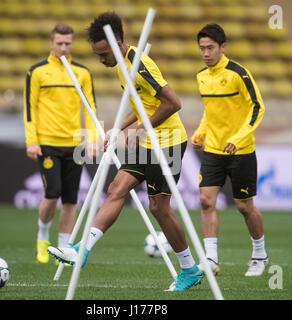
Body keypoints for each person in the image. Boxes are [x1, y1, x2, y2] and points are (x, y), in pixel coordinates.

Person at [48, 12, 203, 292]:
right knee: (116, 188)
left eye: (104, 53)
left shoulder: (139, 63)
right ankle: (82, 250)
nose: (101, 59)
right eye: (97, 55)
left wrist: (137, 131)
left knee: (159, 208)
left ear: (119, 43)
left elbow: (172, 103)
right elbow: (141, 102)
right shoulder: (122, 66)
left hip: (167, 142)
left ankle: (190, 269)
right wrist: (119, 128)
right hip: (147, 143)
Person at [191, 23, 268, 277]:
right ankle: (211, 259)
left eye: (210, 47)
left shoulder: (238, 74)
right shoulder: (201, 76)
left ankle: (260, 254)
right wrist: (201, 131)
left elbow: (257, 107)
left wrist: (239, 137)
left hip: (241, 150)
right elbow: (210, 112)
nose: (205, 53)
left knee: (244, 206)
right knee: (205, 201)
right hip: (213, 150)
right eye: (202, 48)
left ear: (223, 47)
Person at [24, 23, 98, 264]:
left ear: (72, 44)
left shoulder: (83, 73)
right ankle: (43, 235)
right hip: (47, 143)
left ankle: (63, 250)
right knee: (52, 193)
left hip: (74, 144)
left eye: (68, 43)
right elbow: (29, 109)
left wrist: (93, 139)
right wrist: (32, 141)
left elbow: (91, 109)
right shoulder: (37, 72)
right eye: (59, 43)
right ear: (51, 43)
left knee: (70, 199)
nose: (64, 47)